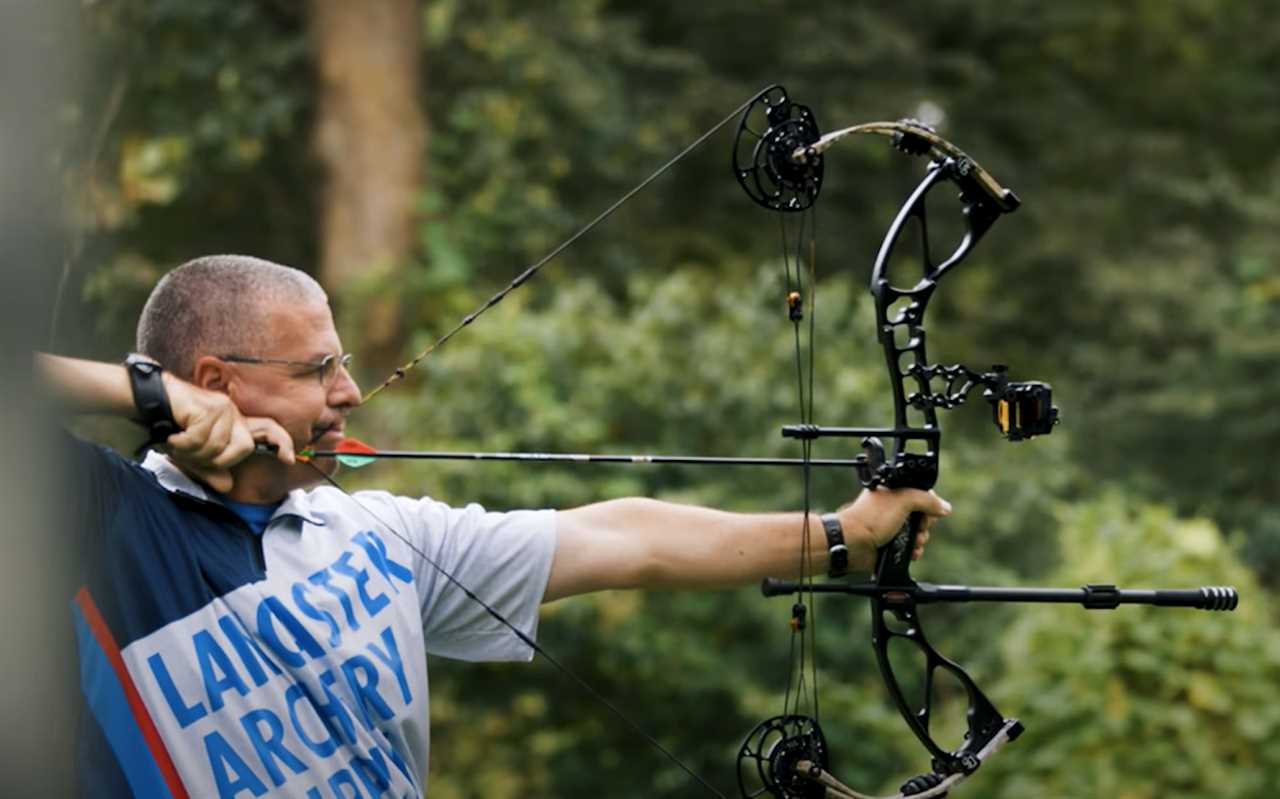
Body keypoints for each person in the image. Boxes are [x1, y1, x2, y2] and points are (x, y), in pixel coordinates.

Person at [37, 254, 950, 799]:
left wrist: (842, 531)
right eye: (319, 369)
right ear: (217, 379)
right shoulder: (94, 525)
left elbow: (622, 537)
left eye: (344, 364)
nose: (348, 393)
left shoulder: (370, 531)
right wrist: (147, 396)